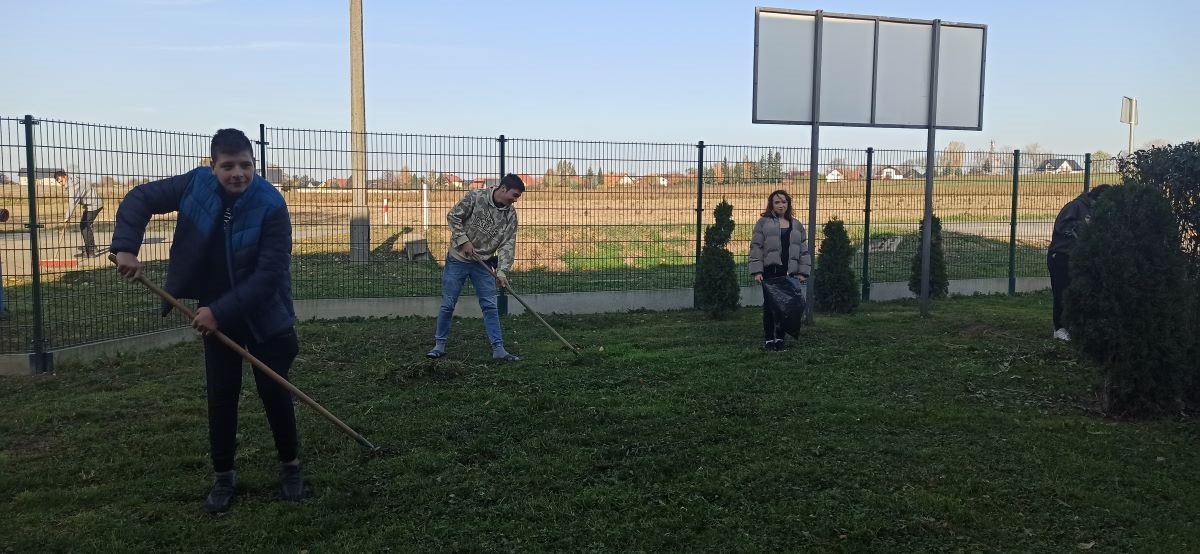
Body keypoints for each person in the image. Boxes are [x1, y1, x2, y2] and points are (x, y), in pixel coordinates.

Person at [109, 128, 305, 514]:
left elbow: (268, 276)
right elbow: (140, 198)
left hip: (264, 312)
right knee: (222, 393)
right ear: (212, 165)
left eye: (245, 165)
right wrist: (126, 246)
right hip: (214, 311)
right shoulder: (195, 185)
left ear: (254, 164)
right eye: (228, 166)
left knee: (274, 391)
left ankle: (291, 467)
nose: (238, 174)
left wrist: (219, 311)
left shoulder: (271, 204)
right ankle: (223, 476)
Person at [427, 173, 525, 361]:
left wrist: (503, 271)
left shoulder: (510, 216)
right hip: (458, 259)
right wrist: (463, 241)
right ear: (503, 188)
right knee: (448, 304)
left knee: (490, 306)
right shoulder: (476, 197)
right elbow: (453, 217)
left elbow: (508, 245)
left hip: (484, 264)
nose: (515, 200)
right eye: (514, 195)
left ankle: (498, 349)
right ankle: (439, 345)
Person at [1047, 184, 1112, 341]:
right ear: (1098, 198)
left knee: (1077, 291)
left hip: (1079, 257)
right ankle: (1059, 328)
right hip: (1061, 255)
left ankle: (1074, 325)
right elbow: (1063, 226)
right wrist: (1085, 229)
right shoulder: (1075, 206)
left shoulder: (1097, 211)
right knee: (1062, 290)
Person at [749, 189, 811, 351]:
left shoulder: (796, 225)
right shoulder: (763, 223)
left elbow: (803, 250)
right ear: (771, 204)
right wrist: (757, 271)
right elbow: (756, 247)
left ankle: (781, 338)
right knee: (770, 307)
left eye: (784, 202)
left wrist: (803, 272)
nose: (781, 205)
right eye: (777, 202)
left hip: (789, 273)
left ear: (788, 204)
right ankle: (770, 339)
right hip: (770, 272)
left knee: (786, 307)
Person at [56, 170, 104, 258]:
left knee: (84, 226)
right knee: (86, 225)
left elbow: (72, 204)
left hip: (94, 205)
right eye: (59, 182)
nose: (61, 184)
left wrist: (67, 217)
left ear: (64, 176)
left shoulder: (73, 186)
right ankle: (92, 247)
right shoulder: (74, 179)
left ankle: (90, 252)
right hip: (92, 204)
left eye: (61, 181)